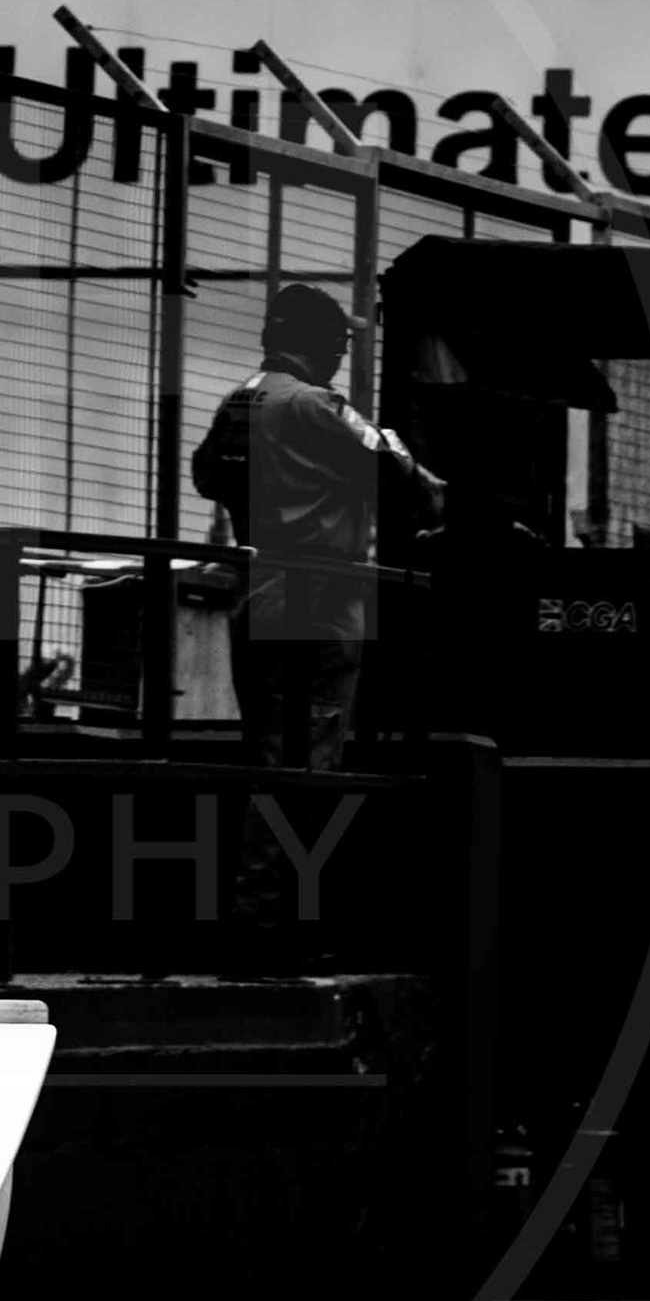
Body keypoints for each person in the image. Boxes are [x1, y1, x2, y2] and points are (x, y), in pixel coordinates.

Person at [193, 284, 442, 934]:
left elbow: (208, 478)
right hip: (318, 609)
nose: (340, 351)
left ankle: (260, 916)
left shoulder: (240, 401)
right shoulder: (315, 405)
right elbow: (400, 473)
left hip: (258, 601)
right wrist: (409, 464)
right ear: (311, 340)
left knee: (270, 761)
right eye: (337, 340)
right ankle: (275, 926)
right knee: (307, 771)